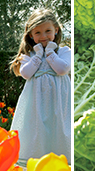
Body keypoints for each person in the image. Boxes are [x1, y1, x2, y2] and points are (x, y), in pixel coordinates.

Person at [9, 9, 71, 162]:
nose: (43, 37)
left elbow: (62, 69)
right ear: (31, 35)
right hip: (36, 99)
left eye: (48, 31)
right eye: (37, 33)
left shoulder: (63, 51)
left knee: (58, 126)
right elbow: (26, 73)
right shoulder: (28, 55)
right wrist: (38, 55)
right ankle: (36, 159)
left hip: (58, 99)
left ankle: (59, 160)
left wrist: (49, 53)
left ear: (56, 30)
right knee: (37, 127)